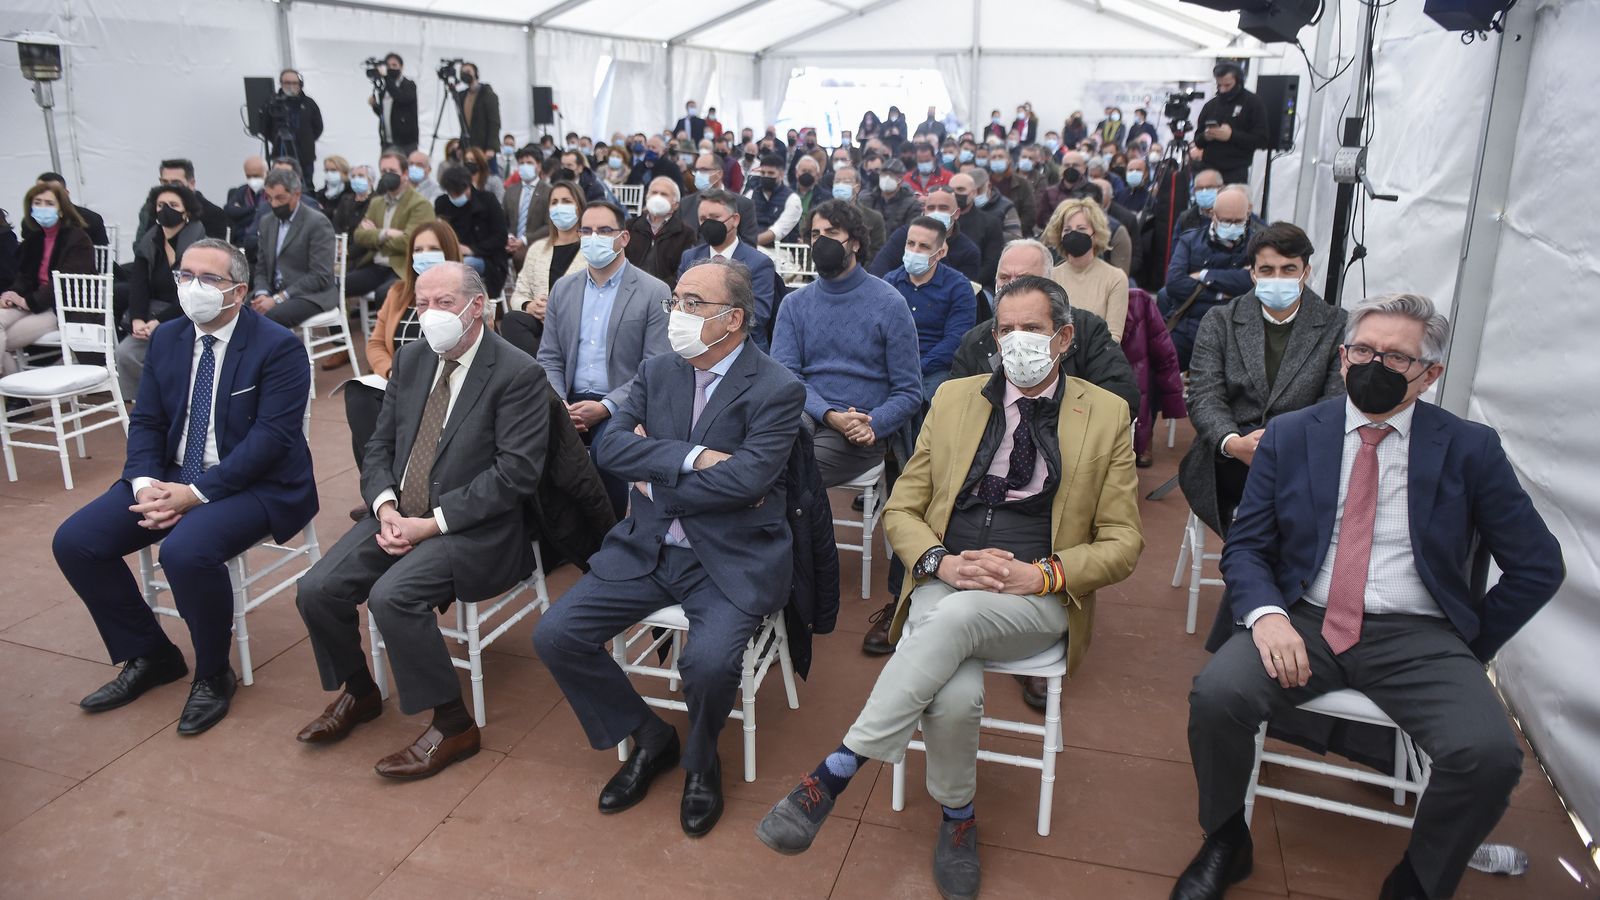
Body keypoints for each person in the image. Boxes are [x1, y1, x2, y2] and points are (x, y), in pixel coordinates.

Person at [757, 274, 1143, 900]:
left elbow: (1124, 542)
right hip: (952, 567)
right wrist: (941, 561)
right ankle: (958, 818)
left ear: (1064, 337)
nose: (1017, 342)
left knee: (955, 623)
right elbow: (902, 509)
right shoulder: (957, 398)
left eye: (1033, 330)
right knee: (955, 695)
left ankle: (838, 769)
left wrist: (1039, 573)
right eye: (1006, 330)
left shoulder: (1105, 413)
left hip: (1036, 590)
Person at [1172, 293, 1564, 900]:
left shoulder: (1469, 448)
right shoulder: (1293, 435)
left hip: (1419, 633)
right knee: (1217, 696)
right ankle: (1226, 838)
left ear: (1429, 375)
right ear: (1342, 354)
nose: (1373, 365)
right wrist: (1267, 615)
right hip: (1301, 615)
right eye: (1362, 349)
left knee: (1488, 754)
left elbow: (1537, 565)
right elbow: (1246, 547)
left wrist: (1466, 643)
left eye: (1396, 357)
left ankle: (1419, 880)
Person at [534, 255, 805, 837]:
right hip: (648, 545)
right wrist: (690, 458)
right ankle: (649, 735)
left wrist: (654, 469)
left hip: (729, 557)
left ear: (731, 319)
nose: (676, 313)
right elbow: (609, 448)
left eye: (691, 304)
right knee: (555, 635)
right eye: (675, 301)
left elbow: (750, 480)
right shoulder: (660, 370)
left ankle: (702, 762)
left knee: (706, 666)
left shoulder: (778, 388)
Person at [294, 262, 548, 778]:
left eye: (444, 303)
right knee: (317, 588)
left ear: (476, 307)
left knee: (394, 596)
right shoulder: (411, 360)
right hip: (399, 511)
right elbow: (380, 445)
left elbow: (514, 476)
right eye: (422, 304)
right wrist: (385, 506)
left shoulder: (518, 373)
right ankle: (360, 691)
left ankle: (455, 724)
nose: (430, 315)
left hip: (474, 526)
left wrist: (430, 523)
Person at [53, 239, 315, 736]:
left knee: (185, 551)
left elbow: (271, 442)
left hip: (259, 483)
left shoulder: (278, 346)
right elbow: (148, 420)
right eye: (184, 275)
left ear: (238, 291)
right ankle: (150, 654)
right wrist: (146, 483)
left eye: (207, 279)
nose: (192, 287)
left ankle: (214, 673)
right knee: (76, 542)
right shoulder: (170, 337)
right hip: (172, 472)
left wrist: (195, 496)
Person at [1179, 222, 1345, 538]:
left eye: (1288, 269)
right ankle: (1267, 564)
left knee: (1286, 491)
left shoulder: (1336, 324)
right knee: (1279, 502)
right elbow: (1204, 394)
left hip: (1302, 449)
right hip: (1231, 452)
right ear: (1253, 273)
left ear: (1306, 271)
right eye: (1267, 269)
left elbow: (1334, 400)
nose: (1277, 278)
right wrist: (1233, 443)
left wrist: (1286, 442)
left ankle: (1248, 564)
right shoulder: (1221, 321)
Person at [772, 197, 920, 498]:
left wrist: (873, 424)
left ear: (854, 243)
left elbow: (909, 391)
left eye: (831, 233)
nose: (820, 242)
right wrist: (828, 414)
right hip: (805, 414)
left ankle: (796, 544)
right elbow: (786, 376)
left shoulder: (890, 304)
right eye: (815, 235)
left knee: (784, 470)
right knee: (764, 452)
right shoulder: (794, 303)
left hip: (859, 427)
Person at [536, 201, 672, 518]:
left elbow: (655, 364)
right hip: (567, 399)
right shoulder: (563, 289)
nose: (593, 237)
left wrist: (606, 406)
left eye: (604, 231)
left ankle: (608, 533)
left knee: (607, 449)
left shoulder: (653, 291)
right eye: (586, 230)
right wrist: (559, 403)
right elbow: (549, 356)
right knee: (532, 444)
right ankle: (554, 538)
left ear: (623, 238)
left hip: (622, 401)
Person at [345, 221, 462, 489]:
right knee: (359, 396)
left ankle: (403, 487)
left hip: (442, 386)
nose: (424, 255)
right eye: (418, 249)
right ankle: (381, 489)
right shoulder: (398, 292)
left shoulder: (465, 296)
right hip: (398, 382)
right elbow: (375, 344)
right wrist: (391, 373)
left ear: (449, 252)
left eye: (433, 248)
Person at [114, 184, 208, 398]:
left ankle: (178, 400)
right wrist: (137, 320)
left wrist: (159, 322)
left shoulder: (200, 245)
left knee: (168, 352)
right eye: (160, 205)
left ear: (187, 212)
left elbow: (196, 295)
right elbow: (138, 286)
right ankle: (148, 403)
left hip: (189, 315)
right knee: (125, 353)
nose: (166, 209)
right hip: (152, 318)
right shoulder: (148, 242)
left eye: (173, 205)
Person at [1, 182, 94, 375]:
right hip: (32, 304)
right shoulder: (34, 239)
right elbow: (24, 277)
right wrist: (11, 295)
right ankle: (16, 396)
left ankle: (14, 397)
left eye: (49, 203)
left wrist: (27, 301)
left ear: (61, 210)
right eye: (37, 202)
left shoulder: (77, 239)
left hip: (60, 308)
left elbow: (66, 282)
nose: (43, 208)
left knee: (3, 341)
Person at [884, 215, 975, 403]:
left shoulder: (958, 287)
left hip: (935, 369)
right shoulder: (888, 283)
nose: (914, 251)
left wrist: (917, 367)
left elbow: (955, 340)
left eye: (924, 246)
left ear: (940, 253)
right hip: (890, 366)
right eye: (910, 244)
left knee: (925, 402)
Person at [1167, 185, 1257, 368]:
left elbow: (1253, 282)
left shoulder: (1257, 244)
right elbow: (1174, 283)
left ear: (1247, 216)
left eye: (1238, 221)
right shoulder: (1190, 241)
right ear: (1213, 216)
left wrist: (1204, 275)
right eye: (1226, 221)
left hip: (1235, 331)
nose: (1232, 226)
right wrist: (1221, 294)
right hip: (1189, 327)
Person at [677, 188, 778, 351]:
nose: (708, 224)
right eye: (703, 219)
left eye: (715, 217)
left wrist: (708, 321)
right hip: (696, 344)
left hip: (744, 348)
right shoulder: (689, 258)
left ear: (735, 219)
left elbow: (758, 317)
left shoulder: (759, 263)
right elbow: (681, 306)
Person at [504, 180, 586, 356]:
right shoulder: (537, 249)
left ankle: (537, 373)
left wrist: (556, 311)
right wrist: (529, 306)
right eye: (554, 202)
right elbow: (518, 294)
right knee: (512, 320)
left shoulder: (590, 250)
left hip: (572, 325)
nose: (559, 207)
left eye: (566, 201)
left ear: (579, 206)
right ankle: (541, 372)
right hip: (538, 322)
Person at [248, 168, 338, 328]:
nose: (274, 204)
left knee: (271, 316)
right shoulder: (267, 222)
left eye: (280, 198)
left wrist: (277, 299)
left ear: (297, 194)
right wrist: (262, 293)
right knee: (239, 312)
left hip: (312, 295)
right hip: (275, 290)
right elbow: (261, 268)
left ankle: (276, 353)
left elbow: (319, 276)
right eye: (269, 198)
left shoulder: (317, 223)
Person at [348, 150, 437, 302]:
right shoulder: (377, 202)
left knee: (385, 294)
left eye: (392, 171)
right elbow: (359, 236)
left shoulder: (420, 204)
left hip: (401, 268)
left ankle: (385, 327)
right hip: (375, 265)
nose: (387, 175)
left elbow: (409, 242)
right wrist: (385, 233)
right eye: (384, 171)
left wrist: (375, 238)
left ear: (405, 174)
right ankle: (342, 326)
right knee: (339, 285)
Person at [1042, 198, 1130, 341]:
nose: (1073, 234)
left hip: (1097, 358)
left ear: (1096, 234)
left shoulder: (1115, 278)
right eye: (1067, 230)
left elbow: (1114, 337)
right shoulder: (1050, 277)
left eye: (1081, 229)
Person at [1122, 287, 1186, 467]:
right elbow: (1177, 280)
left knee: (1153, 362)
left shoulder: (1137, 297)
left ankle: (1145, 431)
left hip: (1188, 322)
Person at [869, 187, 981, 286]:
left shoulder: (968, 251)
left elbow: (965, 291)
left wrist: (942, 257)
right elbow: (879, 267)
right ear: (924, 211)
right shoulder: (904, 234)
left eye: (943, 208)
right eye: (931, 208)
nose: (936, 213)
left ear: (956, 214)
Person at [434, 163, 509, 295]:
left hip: (486, 258)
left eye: (459, 193)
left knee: (463, 265)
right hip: (449, 255)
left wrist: (472, 250)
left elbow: (500, 236)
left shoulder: (487, 201)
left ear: (469, 186)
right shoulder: (442, 204)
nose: (456, 197)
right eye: (452, 194)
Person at [1194, 63, 1269, 184]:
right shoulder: (1211, 105)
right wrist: (1206, 136)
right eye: (1219, 85)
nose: (1222, 90)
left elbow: (1262, 140)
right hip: (1209, 169)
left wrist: (1231, 136)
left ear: (1239, 81)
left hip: (1235, 171)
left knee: (1232, 202)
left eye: (1227, 85)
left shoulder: (1253, 103)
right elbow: (1197, 140)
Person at [625, 177, 696, 290]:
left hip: (664, 292)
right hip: (629, 289)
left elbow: (682, 272)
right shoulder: (630, 227)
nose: (657, 197)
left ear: (675, 205)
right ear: (647, 198)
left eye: (663, 194)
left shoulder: (685, 233)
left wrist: (658, 289)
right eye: (654, 192)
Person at [680, 152, 759, 245]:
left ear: (719, 174)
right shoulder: (685, 203)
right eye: (696, 170)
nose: (698, 174)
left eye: (704, 170)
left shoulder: (743, 205)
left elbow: (749, 245)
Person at [138, 159, 228, 240]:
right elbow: (140, 244)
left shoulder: (213, 214)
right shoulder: (151, 208)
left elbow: (215, 253)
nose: (169, 188)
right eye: (165, 183)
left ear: (192, 184)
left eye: (176, 183)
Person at [267, 69, 323, 177]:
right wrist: (277, 139)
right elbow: (266, 128)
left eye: (294, 83)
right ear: (281, 83)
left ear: (300, 84)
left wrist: (307, 139)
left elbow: (318, 127)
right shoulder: (272, 103)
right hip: (281, 156)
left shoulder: (309, 103)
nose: (291, 86)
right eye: (287, 83)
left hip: (305, 157)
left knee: (307, 184)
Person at [504, 145, 550, 273]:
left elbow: (549, 225)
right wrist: (509, 237)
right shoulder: (511, 190)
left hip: (535, 242)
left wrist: (524, 240)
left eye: (529, 163)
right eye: (521, 163)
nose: (525, 166)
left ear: (539, 166)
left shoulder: (548, 191)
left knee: (520, 257)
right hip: (511, 241)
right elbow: (503, 219)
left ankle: (524, 290)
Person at [34, 172, 108, 246]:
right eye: (40, 191)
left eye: (54, 192)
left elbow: (101, 254)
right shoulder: (31, 221)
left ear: (66, 193)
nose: (46, 196)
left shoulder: (91, 219)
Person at [370, 52, 419, 155]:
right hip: (388, 141)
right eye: (388, 66)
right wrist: (374, 106)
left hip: (406, 142)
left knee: (409, 168)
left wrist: (386, 78)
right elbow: (384, 113)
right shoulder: (385, 88)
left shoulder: (409, 85)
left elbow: (401, 98)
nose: (391, 68)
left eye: (394, 65)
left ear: (401, 67)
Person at [454, 62, 501, 163]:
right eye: (462, 72)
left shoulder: (488, 95)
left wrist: (491, 147)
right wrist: (461, 146)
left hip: (484, 146)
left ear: (475, 73)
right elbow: (464, 124)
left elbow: (494, 122)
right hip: (468, 146)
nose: (465, 74)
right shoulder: (462, 96)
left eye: (468, 71)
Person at [986, 152, 1036, 242]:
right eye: (993, 157)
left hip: (1017, 236)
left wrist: (1014, 228)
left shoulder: (1022, 183)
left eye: (1000, 156)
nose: (997, 160)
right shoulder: (985, 183)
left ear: (1008, 160)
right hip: (989, 235)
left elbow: (1030, 213)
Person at [864, 159, 920, 236]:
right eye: (884, 174)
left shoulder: (912, 205)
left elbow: (909, 233)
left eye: (891, 175)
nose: (887, 178)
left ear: (900, 179)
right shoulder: (868, 200)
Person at [224, 157, 268, 253]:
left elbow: (265, 218)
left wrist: (242, 213)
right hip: (238, 244)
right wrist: (255, 210)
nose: (253, 180)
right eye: (249, 176)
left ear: (266, 173)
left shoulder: (272, 193)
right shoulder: (242, 191)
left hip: (261, 246)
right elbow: (229, 211)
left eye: (256, 176)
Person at [1171, 169, 1226, 244]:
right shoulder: (1185, 218)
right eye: (1199, 188)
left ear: (1221, 189)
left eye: (1209, 187)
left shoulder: (1231, 218)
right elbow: (1176, 249)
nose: (1204, 192)